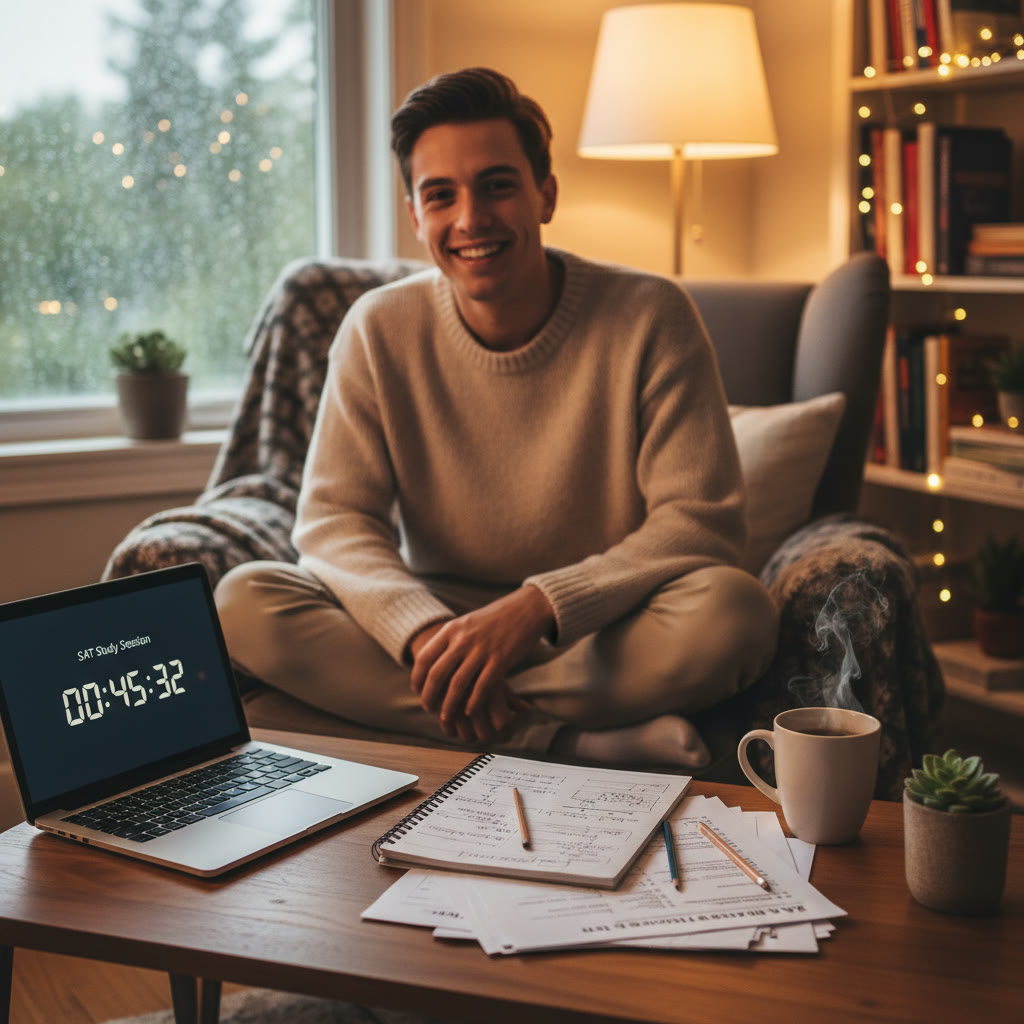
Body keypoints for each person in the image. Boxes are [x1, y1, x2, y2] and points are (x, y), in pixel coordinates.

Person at [214, 67, 778, 770]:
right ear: (416, 216)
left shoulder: (652, 315)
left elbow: (699, 521)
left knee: (736, 615)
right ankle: (567, 743)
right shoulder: (376, 329)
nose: (471, 218)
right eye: (440, 195)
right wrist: (423, 635)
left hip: (597, 628)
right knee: (244, 601)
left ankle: (417, 720)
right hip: (434, 619)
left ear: (545, 193)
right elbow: (334, 526)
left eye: (497, 185)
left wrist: (537, 607)